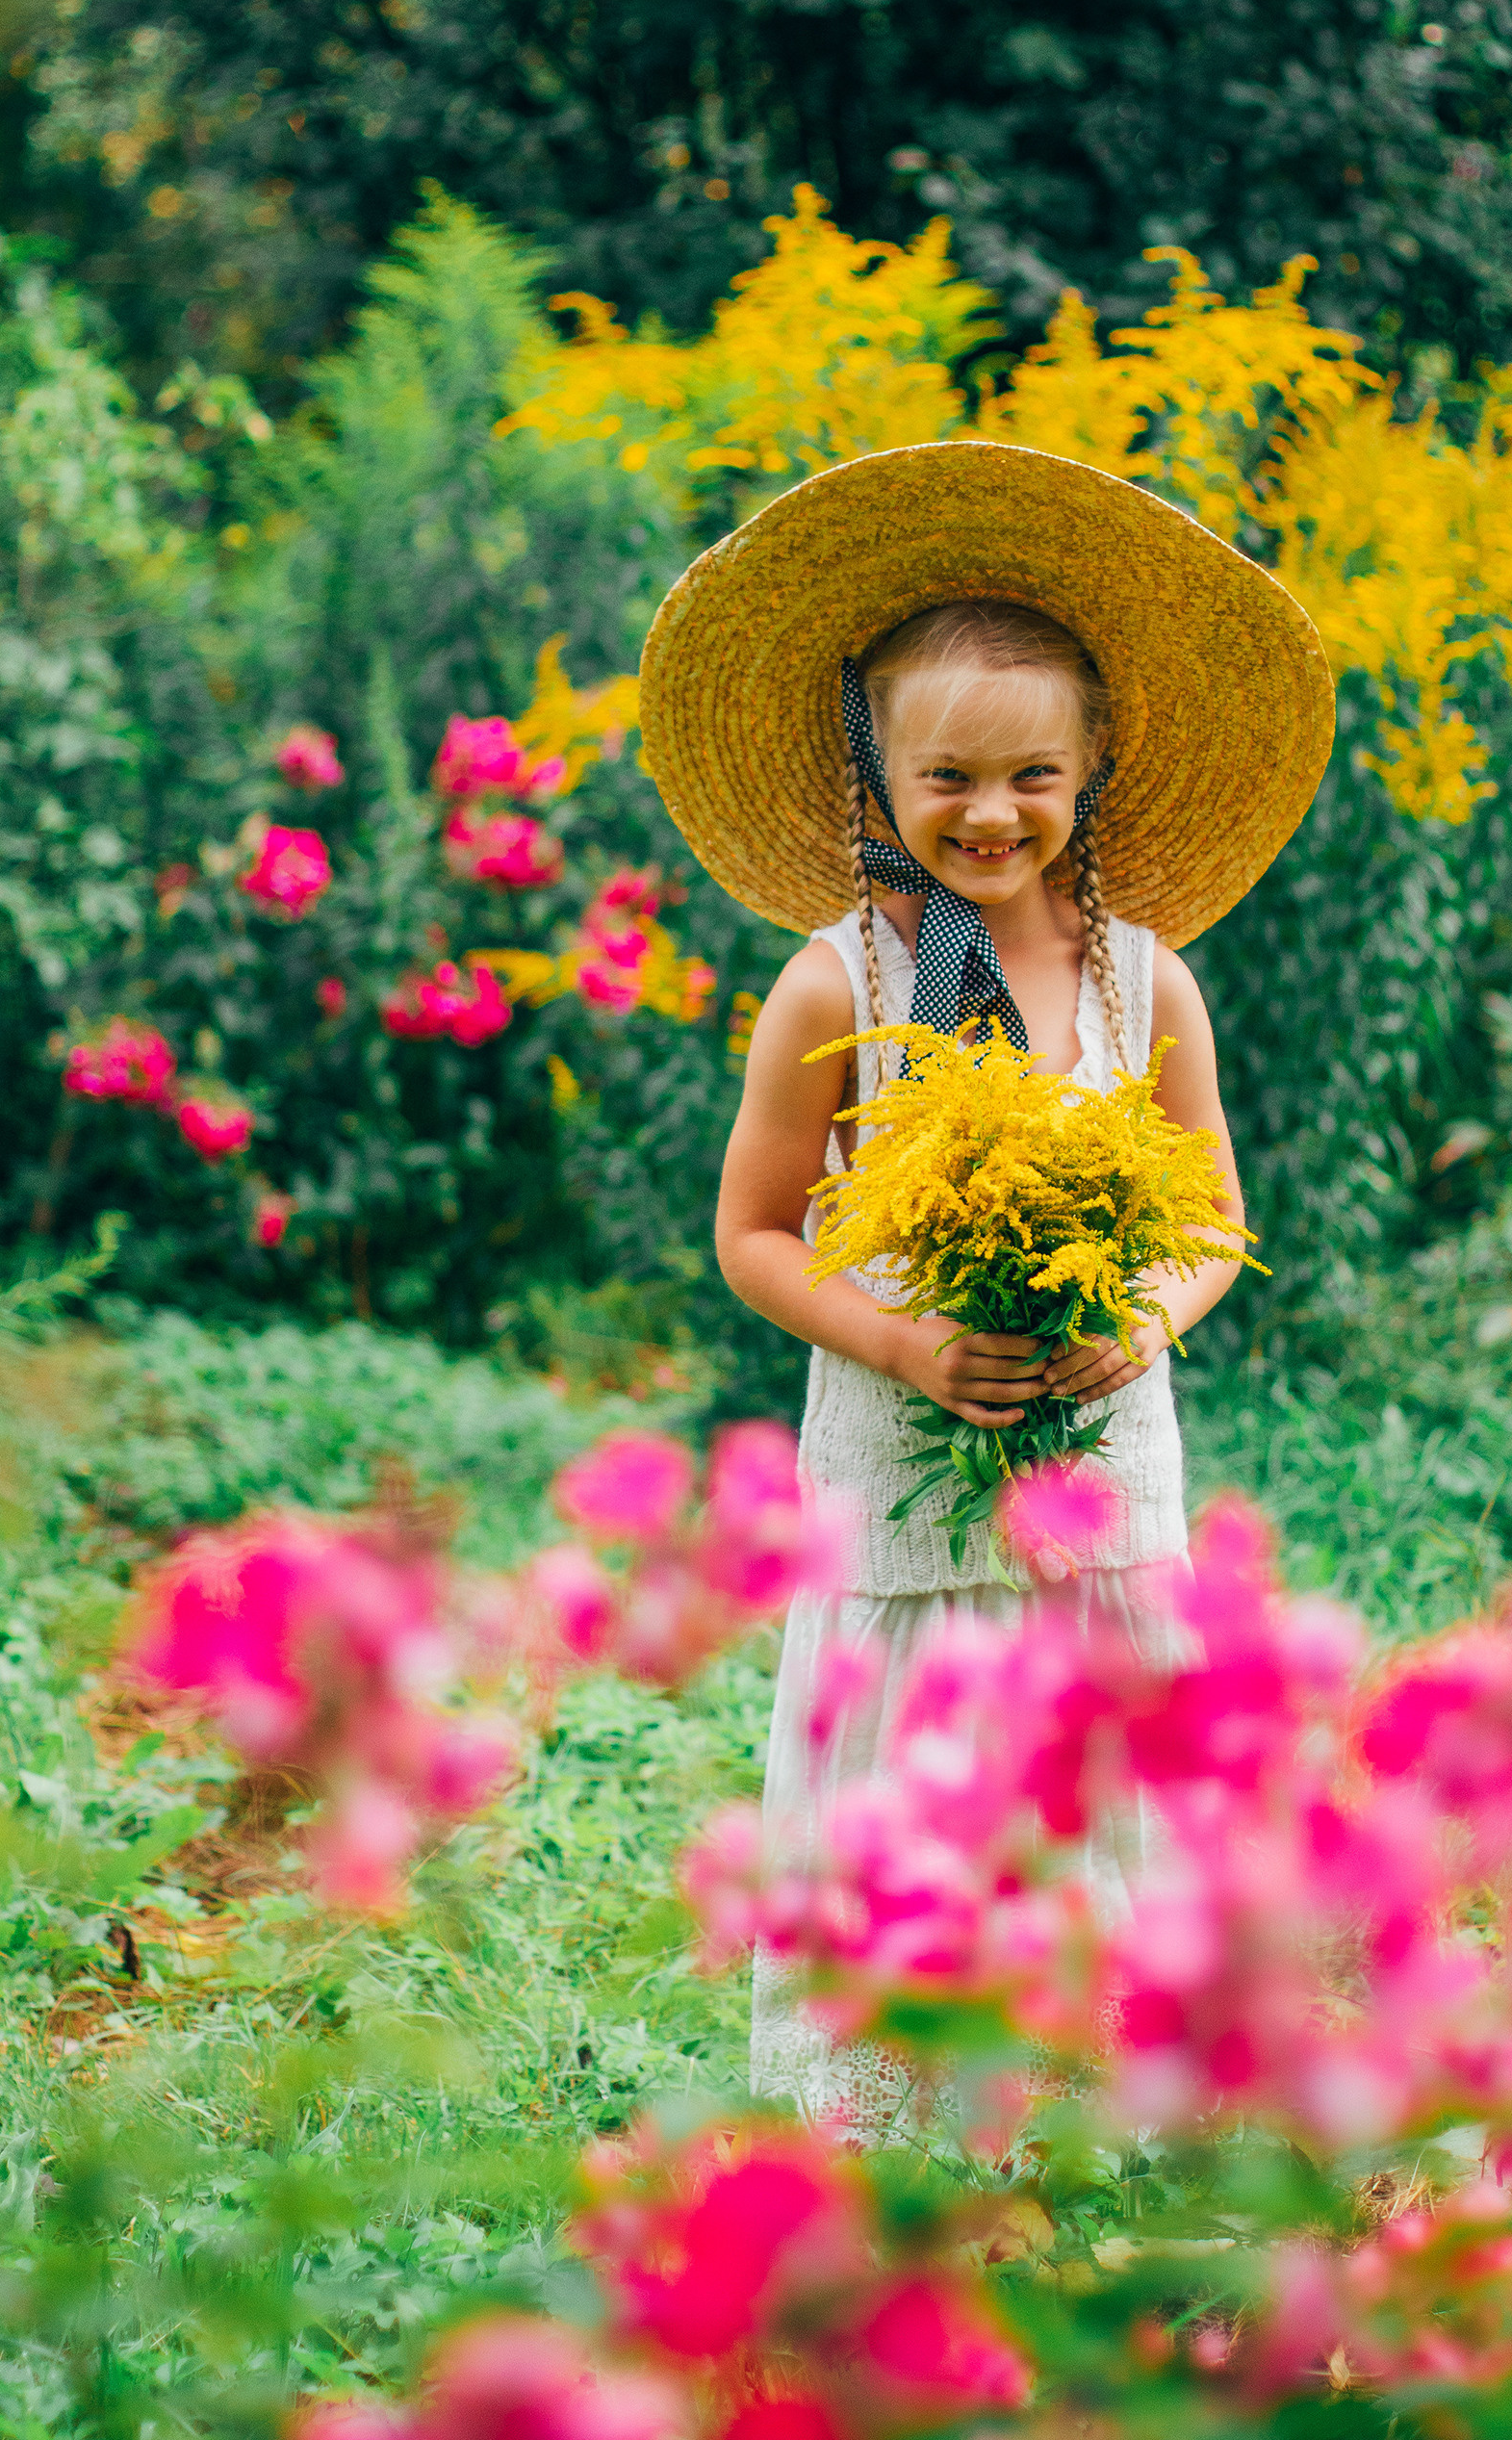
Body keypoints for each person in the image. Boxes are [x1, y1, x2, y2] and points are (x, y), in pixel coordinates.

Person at [637, 440, 1334, 2127]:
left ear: (1093, 769)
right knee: (910, 1816)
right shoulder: (836, 986)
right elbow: (753, 1234)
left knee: (1104, 1804)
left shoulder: (1147, 985)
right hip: (902, 1497)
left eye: (1032, 773)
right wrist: (903, 1337)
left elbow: (1217, 1218)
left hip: (1104, 1492)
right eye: (947, 776)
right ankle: (895, 2149)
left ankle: (1104, 2134)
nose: (991, 812)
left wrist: (1141, 1320)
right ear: (874, 775)